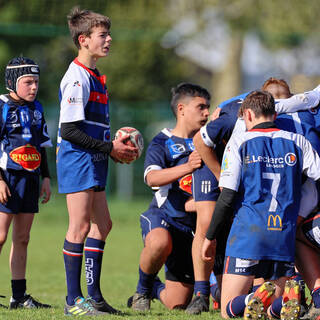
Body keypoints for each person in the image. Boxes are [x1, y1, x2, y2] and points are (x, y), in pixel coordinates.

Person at [202, 90, 320, 319]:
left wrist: (210, 237)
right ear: (274, 114)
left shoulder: (239, 142)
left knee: (228, 310)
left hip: (249, 232)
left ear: (247, 115)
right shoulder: (298, 141)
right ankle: (283, 303)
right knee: (269, 311)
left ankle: (250, 298)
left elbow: (227, 196)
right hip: (282, 234)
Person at [56, 7, 138, 316]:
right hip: (78, 159)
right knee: (78, 227)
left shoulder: (96, 77)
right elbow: (69, 130)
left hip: (93, 158)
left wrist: (112, 147)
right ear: (84, 40)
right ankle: (73, 301)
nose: (109, 39)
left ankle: (94, 298)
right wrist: (109, 148)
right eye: (102, 35)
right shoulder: (77, 77)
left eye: (107, 34)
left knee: (102, 224)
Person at [127, 82, 220, 311]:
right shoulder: (163, 141)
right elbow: (152, 178)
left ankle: (156, 288)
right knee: (159, 242)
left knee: (176, 303)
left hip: (194, 229)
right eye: (201, 107)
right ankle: (142, 290)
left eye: (208, 107)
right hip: (166, 217)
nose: (206, 112)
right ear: (181, 109)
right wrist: (187, 167)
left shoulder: (210, 142)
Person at [0, 56, 52, 309]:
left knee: (22, 237)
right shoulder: (2, 106)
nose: (34, 87)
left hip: (30, 179)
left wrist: (46, 177)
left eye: (36, 82)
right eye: (28, 82)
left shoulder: (37, 108)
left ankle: (18, 297)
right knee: (0, 236)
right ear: (12, 82)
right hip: (6, 178)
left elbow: (41, 146)